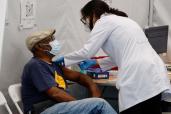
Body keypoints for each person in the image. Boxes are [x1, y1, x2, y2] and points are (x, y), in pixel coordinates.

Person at [55, 0, 171, 114]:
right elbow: (122, 54)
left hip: (138, 75)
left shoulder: (103, 22)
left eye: (84, 19)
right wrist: (97, 64)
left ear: (93, 14)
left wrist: (64, 60)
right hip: (154, 72)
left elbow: (87, 51)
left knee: (134, 108)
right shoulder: (124, 21)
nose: (85, 22)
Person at [21, 29, 117, 114]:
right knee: (99, 105)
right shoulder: (35, 65)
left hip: (58, 107)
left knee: (96, 103)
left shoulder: (54, 64)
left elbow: (80, 77)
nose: (55, 42)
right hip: (42, 110)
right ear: (39, 47)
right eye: (50, 40)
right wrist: (80, 106)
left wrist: (94, 88)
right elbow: (56, 94)